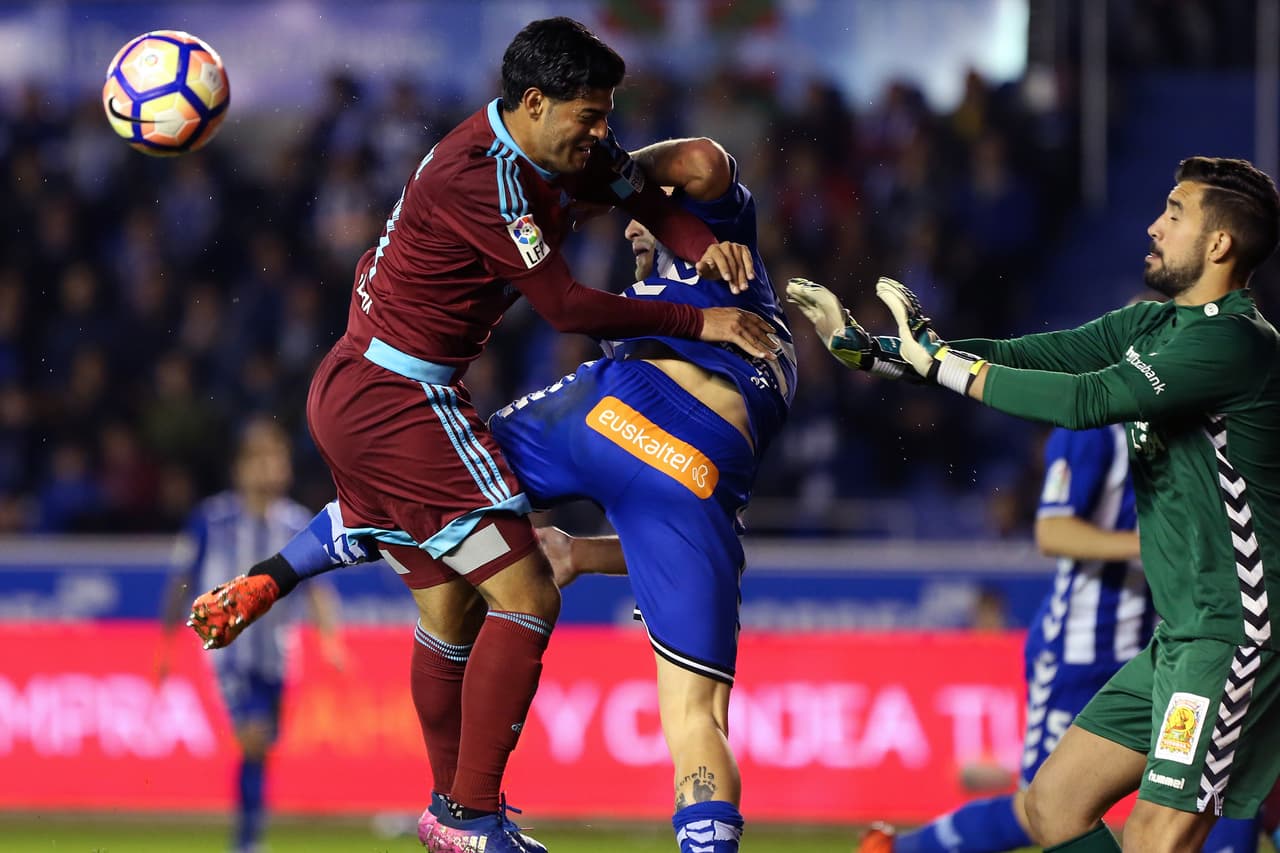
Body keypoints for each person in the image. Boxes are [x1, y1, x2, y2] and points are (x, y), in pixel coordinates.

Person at [190, 17, 778, 852]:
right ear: (534, 103)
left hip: (367, 391)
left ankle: (439, 797)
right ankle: (469, 816)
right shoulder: (483, 177)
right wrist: (699, 316)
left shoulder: (563, 145)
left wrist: (698, 242)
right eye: (590, 115)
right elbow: (567, 308)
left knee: (445, 605)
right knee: (529, 592)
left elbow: (640, 191)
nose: (603, 133)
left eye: (609, 114)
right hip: (400, 395)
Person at [791, 155, 1280, 852]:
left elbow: (1088, 400)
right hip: (1180, 635)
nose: (1154, 225)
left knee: (1155, 839)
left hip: (1234, 637)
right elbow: (1041, 357)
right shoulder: (1155, 328)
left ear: (1220, 244)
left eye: (1174, 214)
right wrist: (886, 356)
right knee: (1053, 807)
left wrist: (944, 367)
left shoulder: (1235, 342)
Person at [852, 421, 1261, 853]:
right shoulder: (1094, 430)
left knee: (1218, 780)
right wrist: (1155, 547)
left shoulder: (1191, 425)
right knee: (1044, 807)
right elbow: (1053, 532)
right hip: (1080, 651)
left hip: (1162, 644)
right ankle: (900, 849)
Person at [158, 417, 343, 853]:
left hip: (277, 655)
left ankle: (248, 835)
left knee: (261, 747)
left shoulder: (297, 522)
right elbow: (181, 579)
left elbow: (317, 587)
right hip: (227, 653)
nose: (268, 468)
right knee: (254, 737)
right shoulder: (211, 519)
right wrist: (166, 642)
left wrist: (330, 638)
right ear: (240, 468)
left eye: (275, 459)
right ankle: (247, 843)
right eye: (259, 459)